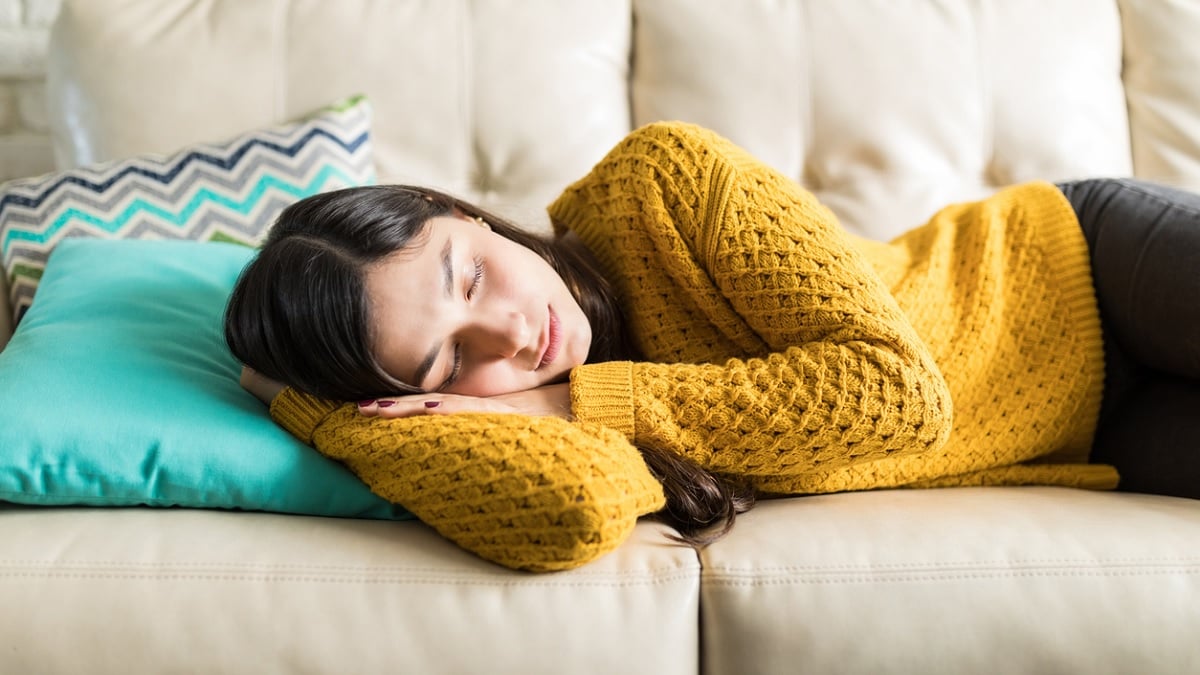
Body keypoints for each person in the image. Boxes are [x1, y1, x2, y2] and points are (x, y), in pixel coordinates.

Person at [225, 121, 1200, 572]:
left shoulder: (659, 185)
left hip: (1077, 270)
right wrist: (329, 415)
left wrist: (578, 401)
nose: (515, 338)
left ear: (462, 214)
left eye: (469, 280)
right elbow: (569, 514)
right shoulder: (555, 425)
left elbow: (899, 395)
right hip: (1090, 436)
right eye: (446, 364)